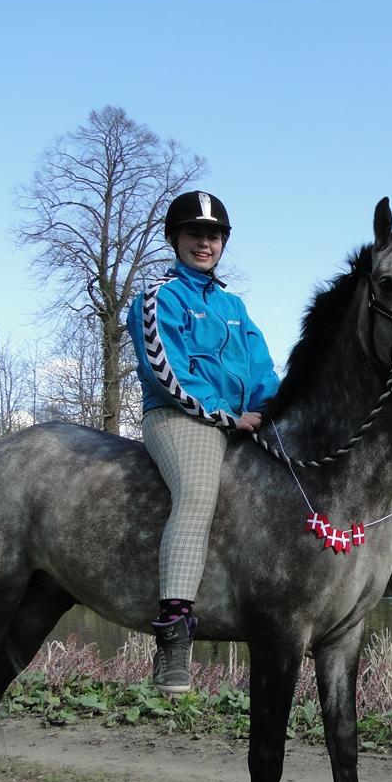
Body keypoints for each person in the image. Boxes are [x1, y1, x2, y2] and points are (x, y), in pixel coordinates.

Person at [128, 190, 280, 693]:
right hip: (180, 418)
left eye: (213, 235)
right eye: (195, 234)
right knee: (196, 496)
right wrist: (225, 416)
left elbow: (261, 369)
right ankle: (173, 644)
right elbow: (165, 372)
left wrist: (275, 412)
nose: (204, 243)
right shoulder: (158, 297)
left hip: (240, 419)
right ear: (175, 239)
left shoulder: (235, 306)